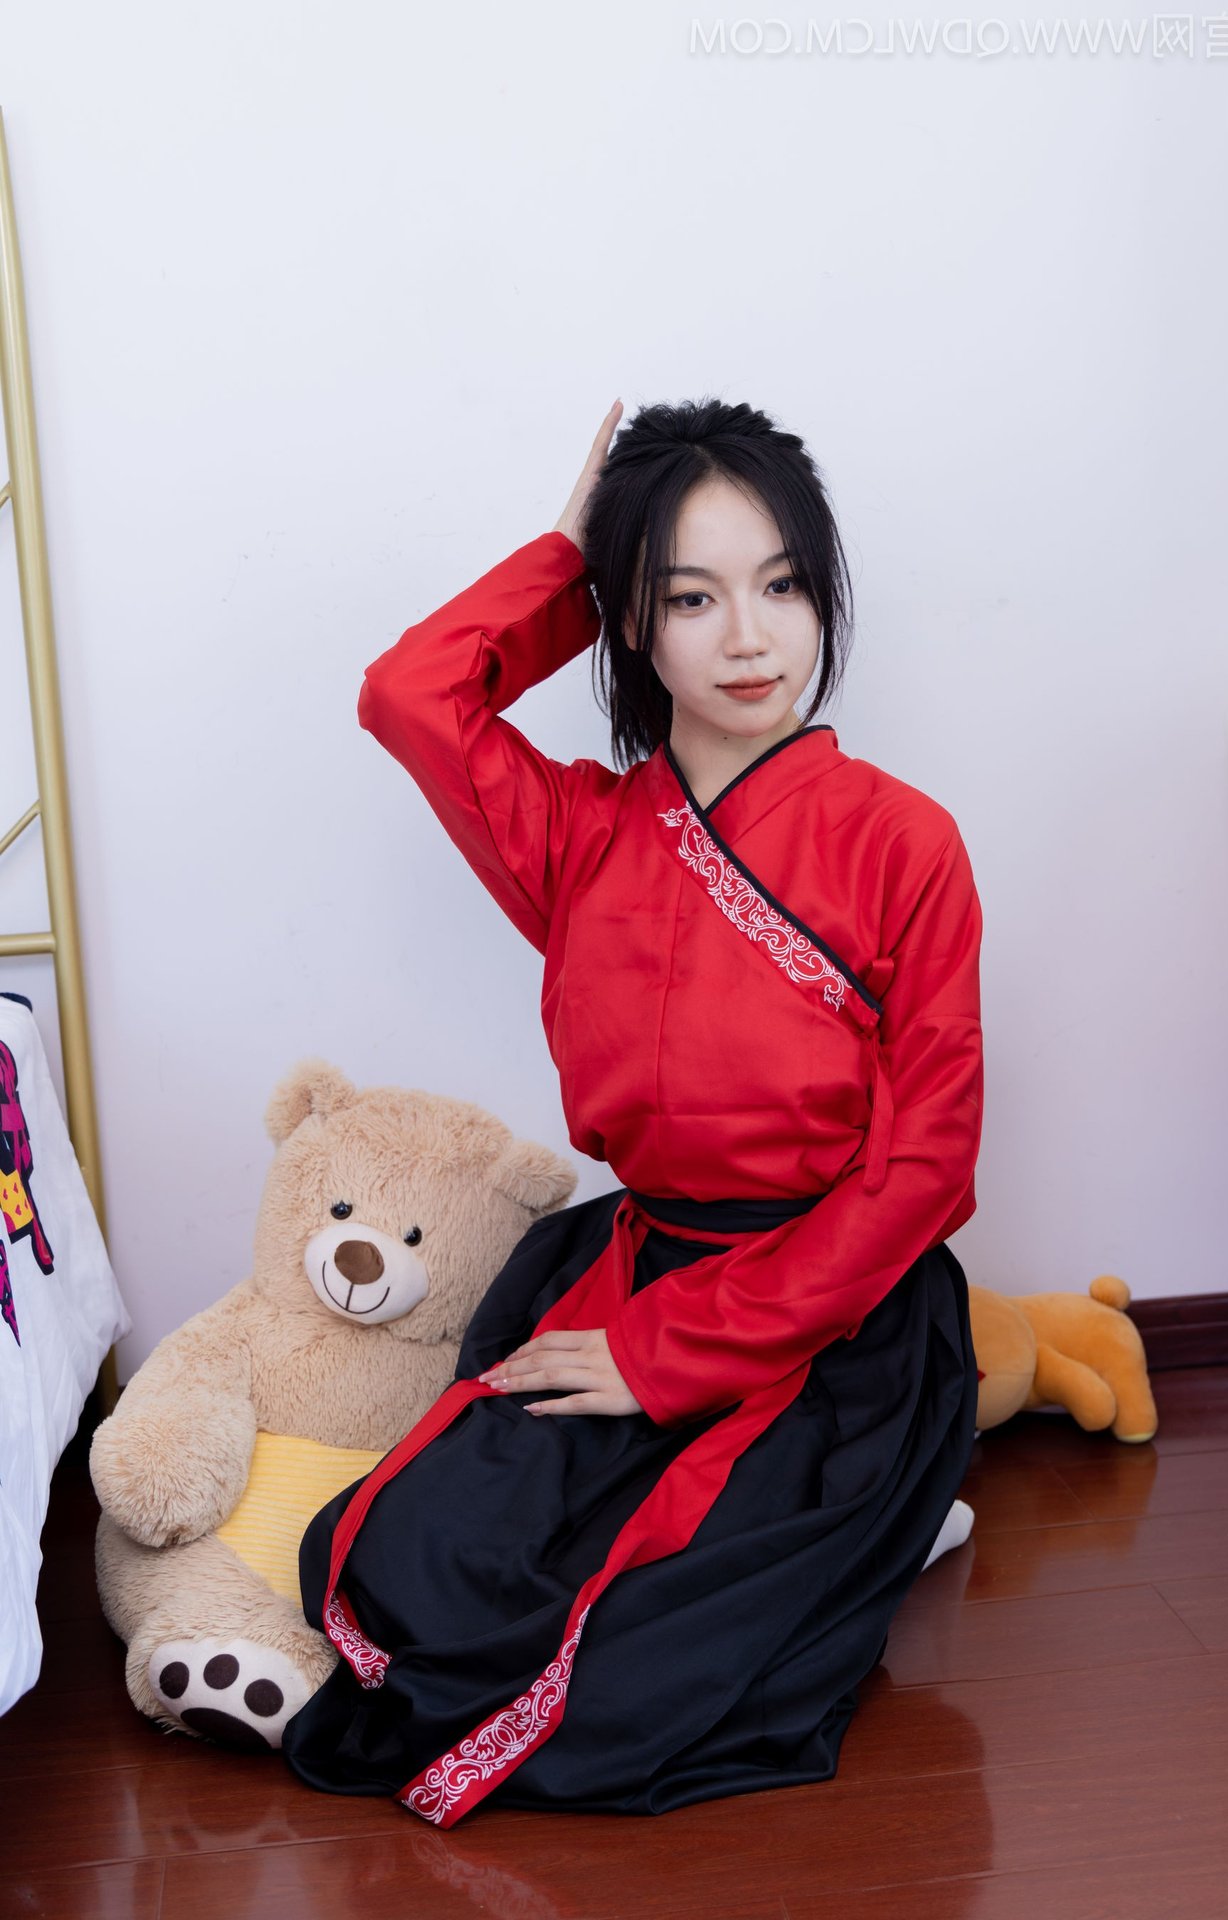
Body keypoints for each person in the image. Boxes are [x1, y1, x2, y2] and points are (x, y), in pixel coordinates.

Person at [281, 397, 984, 1827]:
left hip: (834, 1314)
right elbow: (410, 695)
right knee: (416, 1565)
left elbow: (924, 1167)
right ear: (631, 623)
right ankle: (870, 1530)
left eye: (782, 586)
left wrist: (668, 1357)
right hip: (634, 1269)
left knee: (635, 1676)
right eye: (690, 596)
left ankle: (885, 1508)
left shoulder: (905, 842)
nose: (751, 637)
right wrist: (564, 556)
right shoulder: (579, 836)